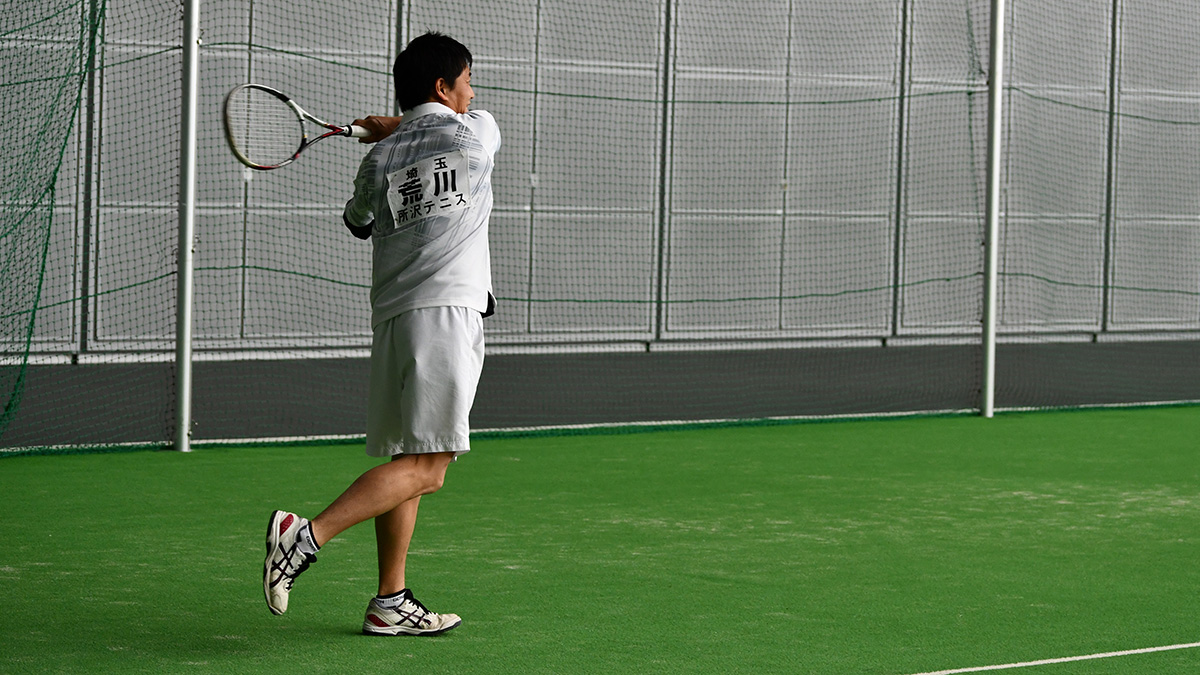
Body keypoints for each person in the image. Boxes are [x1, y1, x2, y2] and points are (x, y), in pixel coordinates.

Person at [262, 31, 500, 637]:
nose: (472, 92)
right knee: (431, 466)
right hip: (447, 314)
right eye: (466, 80)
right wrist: (395, 125)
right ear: (445, 87)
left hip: (394, 319)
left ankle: (389, 601)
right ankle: (304, 536)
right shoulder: (477, 134)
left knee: (408, 457)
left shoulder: (377, 160)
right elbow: (443, 127)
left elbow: (357, 221)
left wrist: (388, 135)